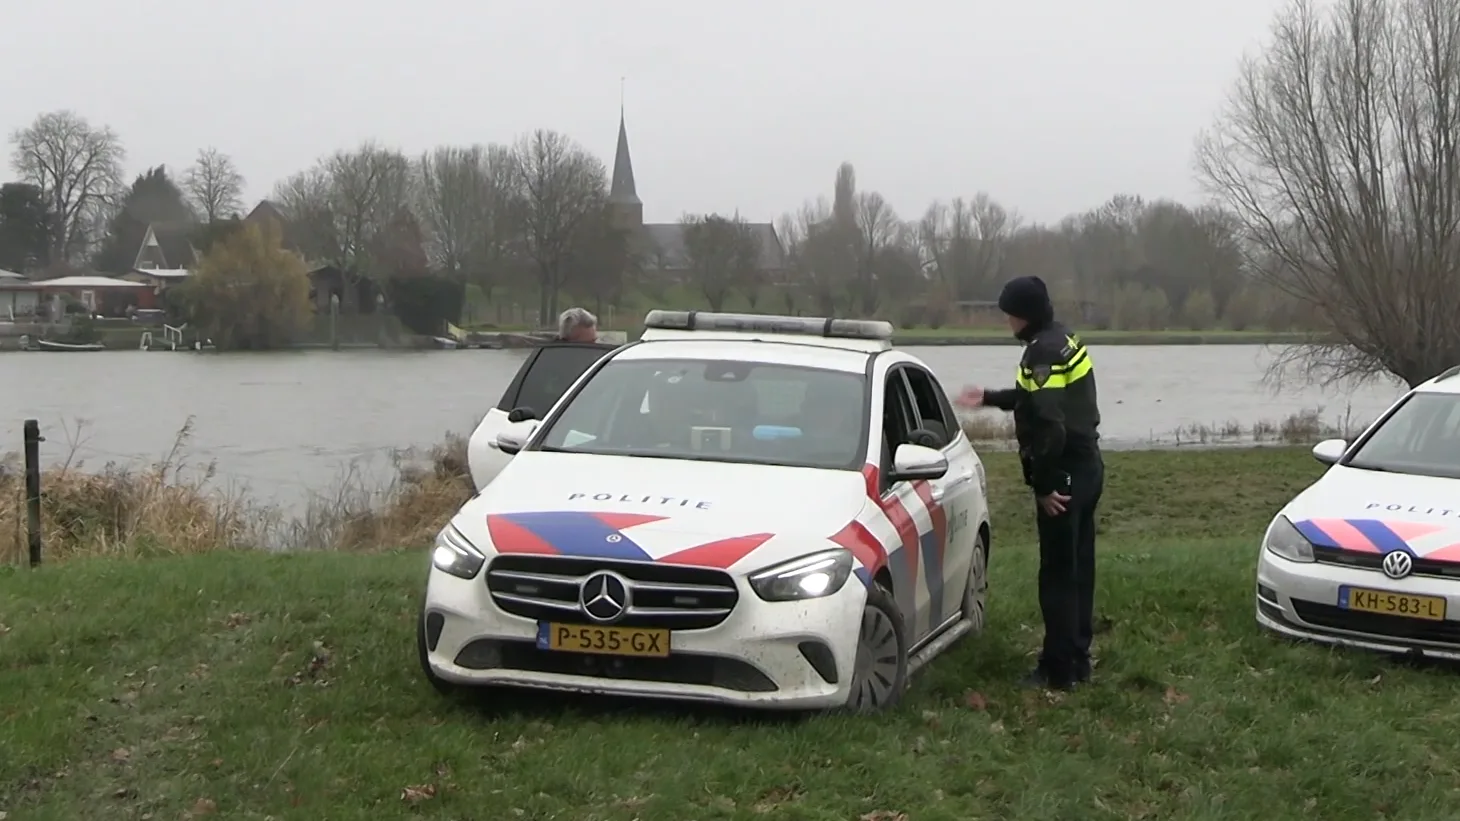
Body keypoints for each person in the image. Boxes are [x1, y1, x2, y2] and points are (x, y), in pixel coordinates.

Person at [955, 275, 1103, 690]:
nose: (1007, 323)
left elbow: (1051, 426)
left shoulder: (1041, 355)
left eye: (1009, 315)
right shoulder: (1065, 340)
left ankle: (1056, 670)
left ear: (1024, 316)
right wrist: (988, 397)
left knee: (1056, 575)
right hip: (1089, 467)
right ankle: (1078, 659)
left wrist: (1044, 485)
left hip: (1065, 475)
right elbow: (1036, 398)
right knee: (1079, 568)